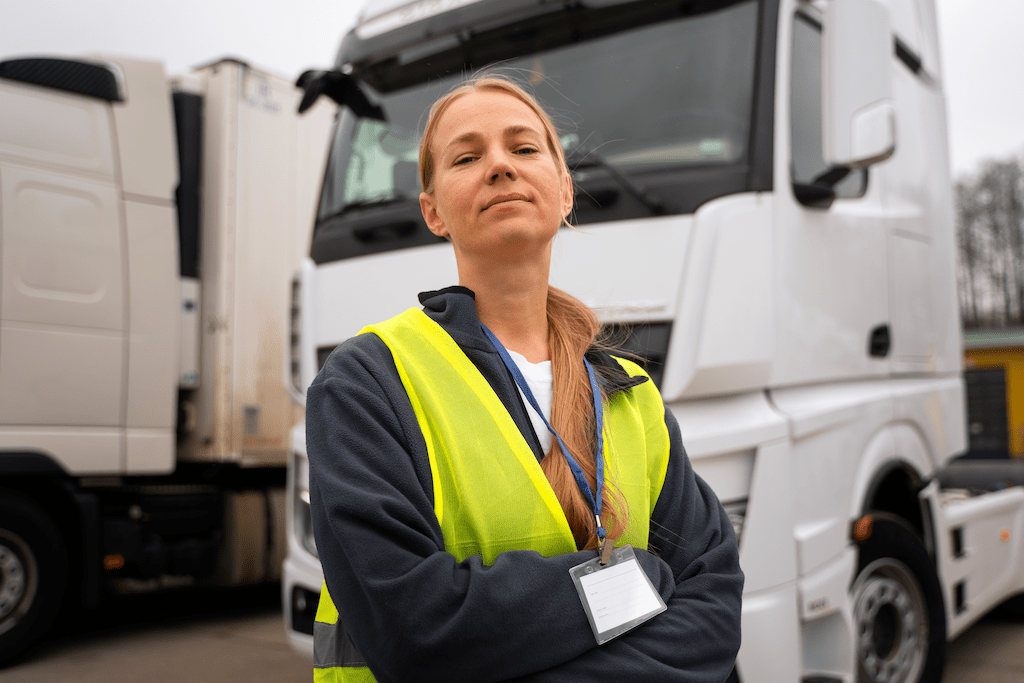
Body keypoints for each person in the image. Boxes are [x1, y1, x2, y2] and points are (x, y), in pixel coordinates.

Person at [306, 75, 743, 683]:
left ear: (563, 190)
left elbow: (715, 608)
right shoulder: (365, 382)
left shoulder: (632, 395)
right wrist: (634, 581)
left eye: (525, 148)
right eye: (466, 156)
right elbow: (413, 628)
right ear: (433, 212)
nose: (500, 167)